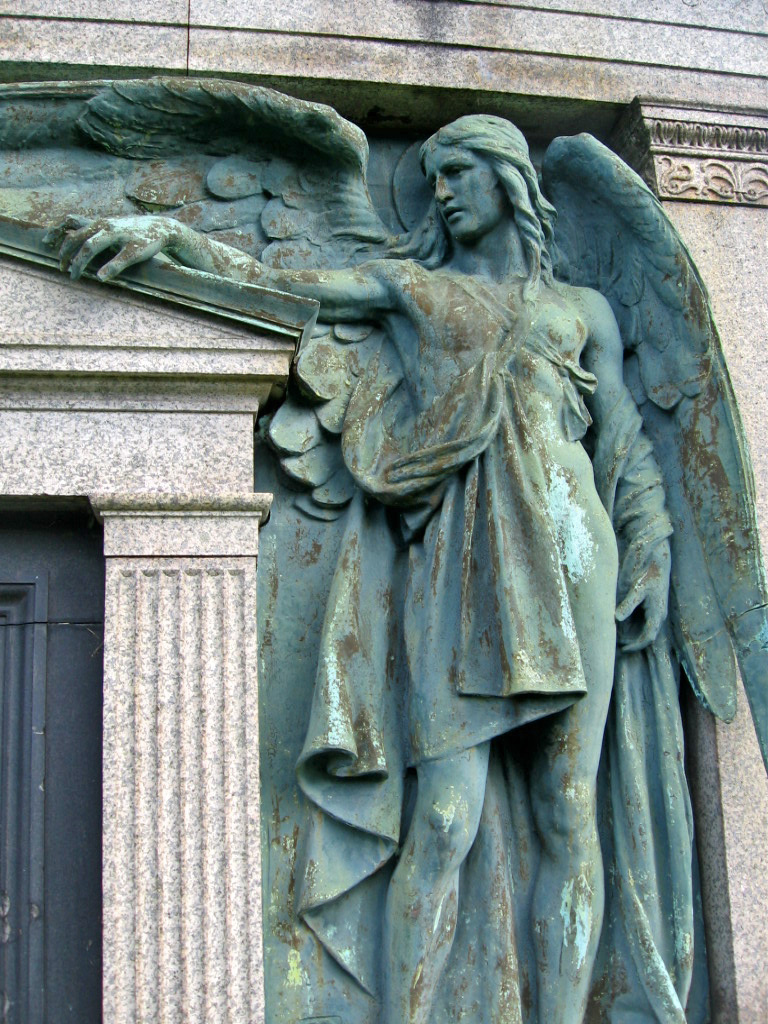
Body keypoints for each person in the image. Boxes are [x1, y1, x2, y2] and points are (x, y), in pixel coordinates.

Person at [54, 115, 671, 1024]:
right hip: (461, 554)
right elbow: (286, 286)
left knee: (568, 806)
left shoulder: (583, 311)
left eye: (460, 172)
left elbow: (621, 433)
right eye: (432, 177)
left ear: (509, 179)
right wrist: (178, 238)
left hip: (577, 546)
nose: (445, 192)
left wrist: (650, 540)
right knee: (448, 817)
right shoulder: (411, 288)